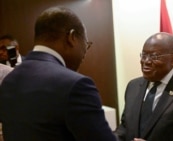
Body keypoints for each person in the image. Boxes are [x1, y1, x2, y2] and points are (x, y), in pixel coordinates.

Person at [0, 6, 116, 141]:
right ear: (71, 37)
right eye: (86, 44)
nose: (85, 52)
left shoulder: (9, 80)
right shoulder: (76, 85)